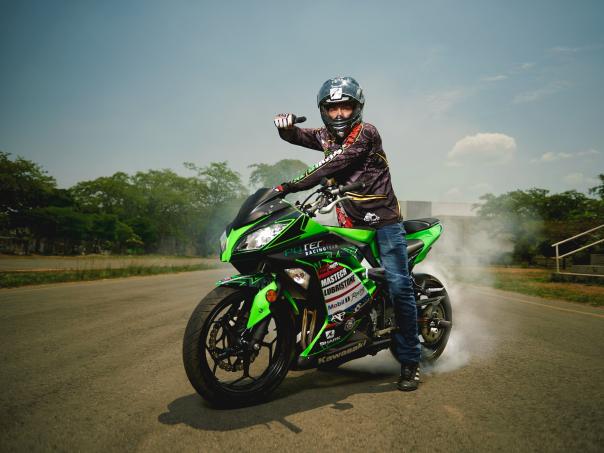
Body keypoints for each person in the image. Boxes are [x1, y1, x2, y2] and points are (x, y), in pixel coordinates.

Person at [273, 76, 421, 391]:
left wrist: (291, 185)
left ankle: (410, 360)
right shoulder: (325, 136)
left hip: (383, 222)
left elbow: (334, 163)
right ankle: (334, 341)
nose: (339, 114)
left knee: (399, 286)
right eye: (332, 108)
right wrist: (286, 129)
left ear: (357, 108)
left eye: (345, 107)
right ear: (323, 110)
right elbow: (300, 135)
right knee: (330, 276)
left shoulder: (367, 133)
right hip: (349, 221)